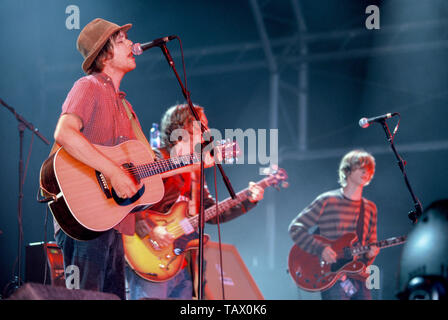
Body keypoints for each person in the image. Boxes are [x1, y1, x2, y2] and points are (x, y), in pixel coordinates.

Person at [125, 103, 265, 300]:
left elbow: (209, 212)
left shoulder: (196, 172)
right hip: (148, 255)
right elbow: (131, 197)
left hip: (181, 263)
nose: (207, 132)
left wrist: (248, 200)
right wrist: (150, 228)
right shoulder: (156, 157)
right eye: (202, 126)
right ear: (182, 129)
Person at [52, 18, 145, 300]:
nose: (131, 43)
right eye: (121, 41)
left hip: (114, 219)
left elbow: (145, 162)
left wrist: (189, 159)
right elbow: (64, 132)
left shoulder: (125, 106)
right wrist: (113, 173)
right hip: (84, 219)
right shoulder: (88, 86)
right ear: (104, 54)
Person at [288, 149, 380, 300]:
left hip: (359, 277)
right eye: (361, 167)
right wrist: (321, 248)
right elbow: (296, 228)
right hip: (331, 275)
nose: (366, 171)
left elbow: (369, 246)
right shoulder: (328, 200)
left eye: (369, 169)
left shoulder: (370, 208)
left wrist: (370, 255)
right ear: (347, 170)